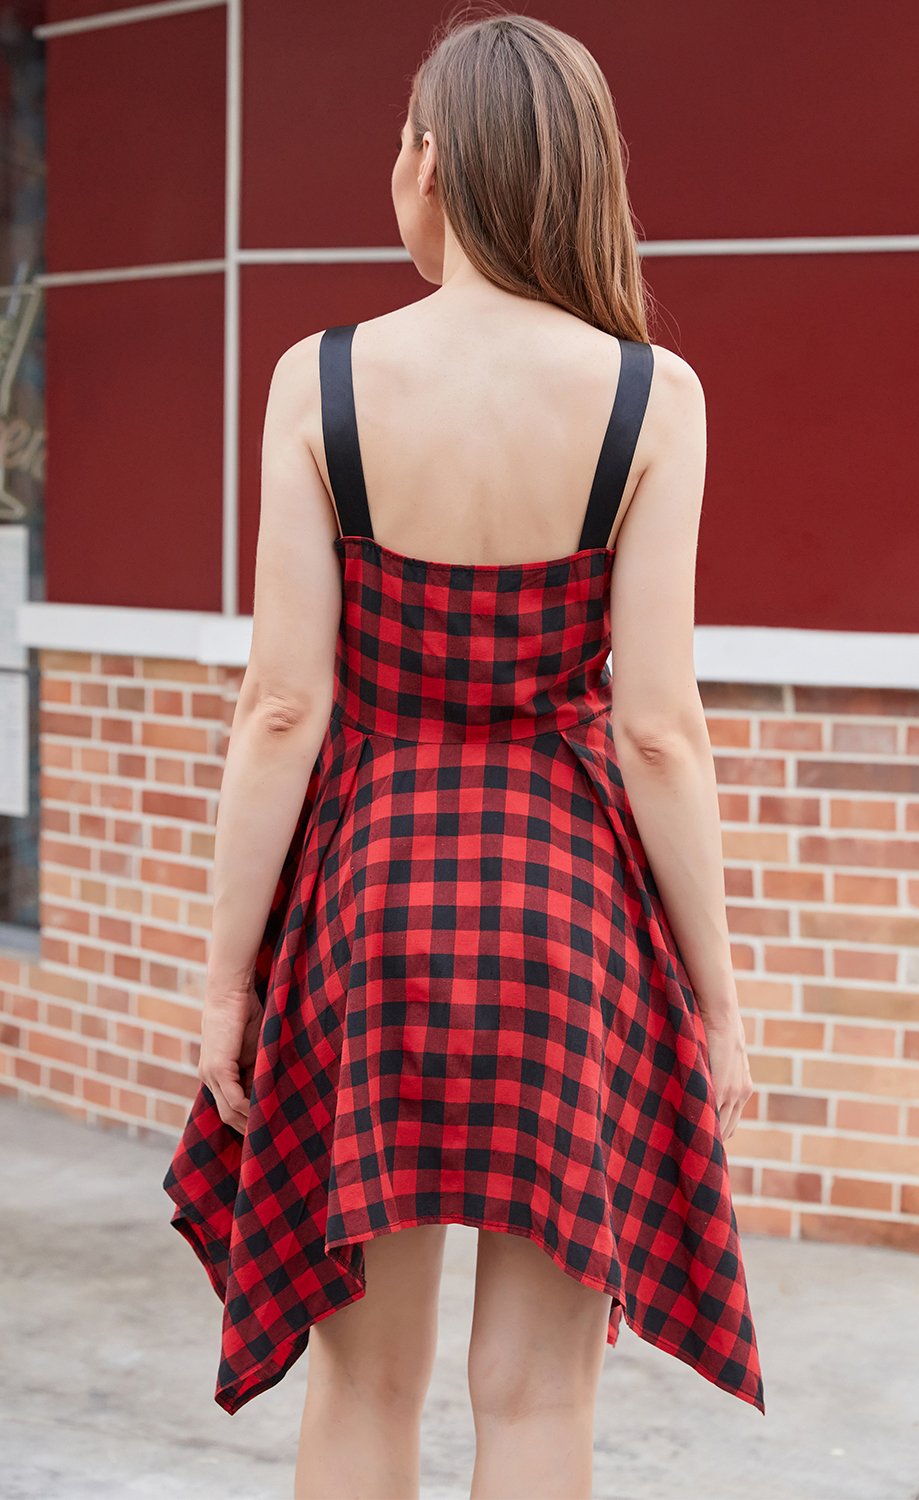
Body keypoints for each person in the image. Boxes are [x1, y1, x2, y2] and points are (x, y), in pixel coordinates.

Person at [163, 11, 765, 1498]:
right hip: (569, 920)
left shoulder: (323, 379)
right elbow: (657, 730)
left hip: (367, 912)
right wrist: (721, 992)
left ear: (432, 160)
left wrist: (226, 977)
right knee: (539, 1399)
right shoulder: (651, 395)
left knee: (366, 1386)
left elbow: (281, 713)